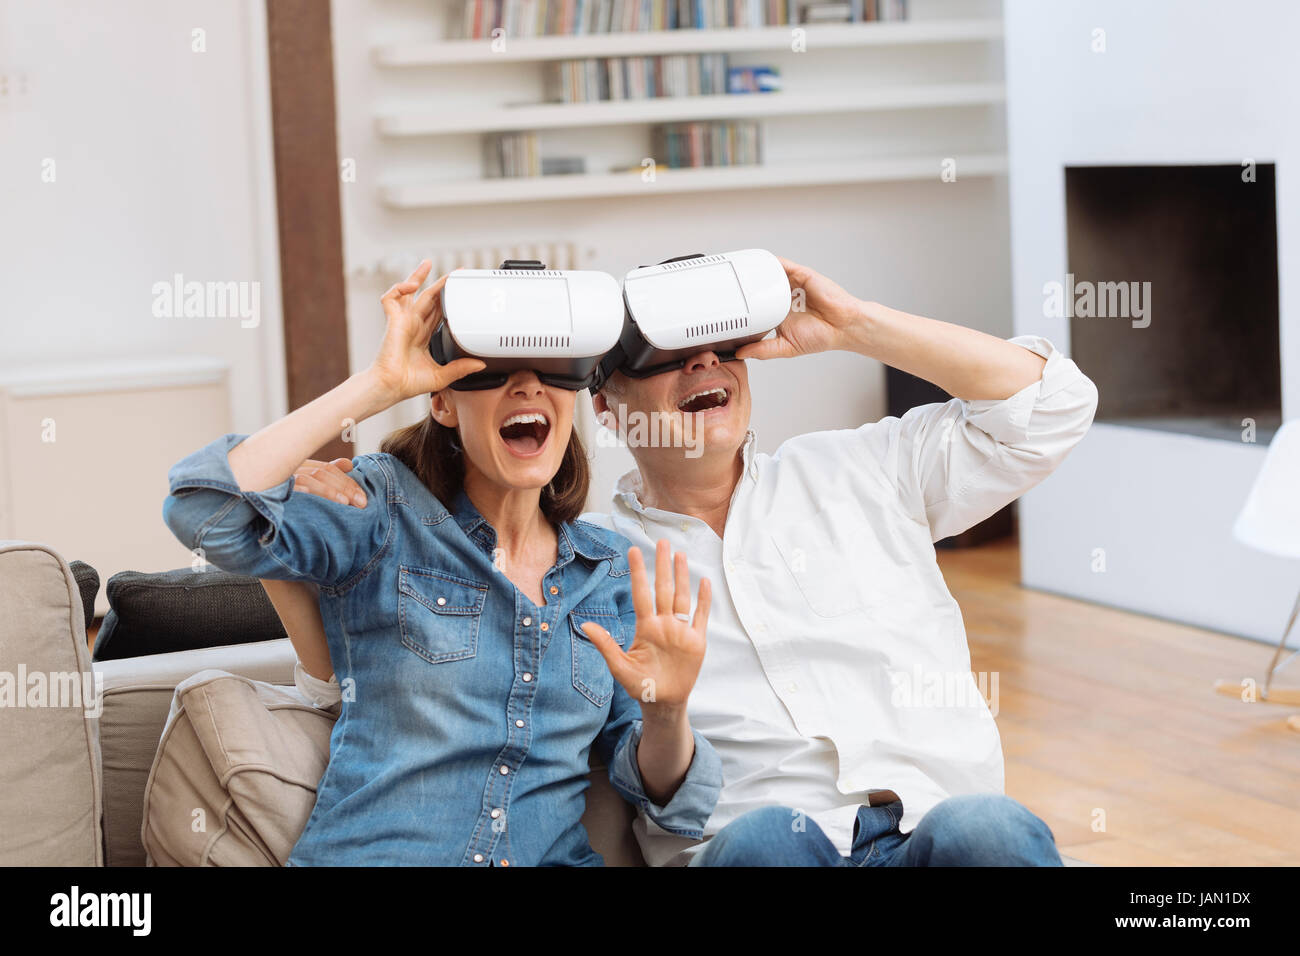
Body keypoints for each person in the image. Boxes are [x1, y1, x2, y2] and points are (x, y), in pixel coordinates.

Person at [281, 256, 1099, 866]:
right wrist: (331, 517)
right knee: (768, 844)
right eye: (667, 357)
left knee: (985, 825)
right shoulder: (587, 563)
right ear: (603, 399)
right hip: (753, 846)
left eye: (721, 349)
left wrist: (856, 327)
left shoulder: (863, 471)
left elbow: (1056, 407)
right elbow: (423, 633)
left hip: (933, 827)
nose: (703, 365)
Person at [162, 260, 721, 866]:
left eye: (552, 369)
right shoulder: (383, 512)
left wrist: (666, 715)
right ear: (445, 405)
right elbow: (203, 509)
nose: (528, 386)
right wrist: (377, 385)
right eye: (495, 369)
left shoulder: (612, 571)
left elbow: (672, 803)